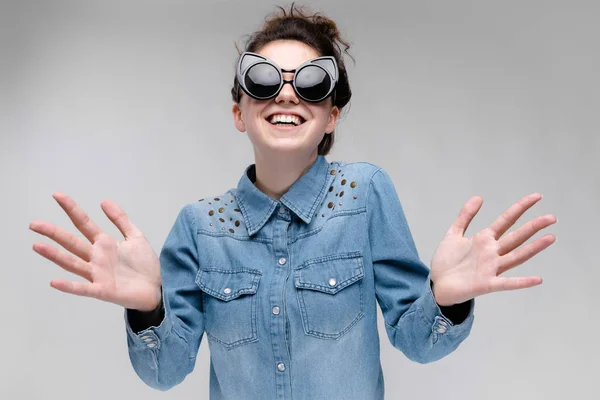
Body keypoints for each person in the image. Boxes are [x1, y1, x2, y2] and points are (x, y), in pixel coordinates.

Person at [29, 4, 557, 400]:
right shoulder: (199, 226)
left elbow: (421, 343)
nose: (286, 95)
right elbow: (163, 372)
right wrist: (147, 310)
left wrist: (448, 300)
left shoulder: (366, 194)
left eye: (310, 84)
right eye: (262, 81)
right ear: (239, 112)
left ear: (332, 115)